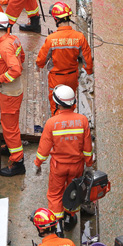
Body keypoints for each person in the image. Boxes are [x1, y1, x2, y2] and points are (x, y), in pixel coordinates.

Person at [33, 85, 93, 231]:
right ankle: (70, 217)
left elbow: (44, 149)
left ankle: (57, 226)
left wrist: (38, 164)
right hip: (77, 166)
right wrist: (89, 164)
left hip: (58, 166)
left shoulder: (52, 123)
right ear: (73, 102)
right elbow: (87, 148)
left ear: (58, 103)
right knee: (73, 191)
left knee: (55, 195)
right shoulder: (83, 121)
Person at [35, 1, 93, 116]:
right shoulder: (79, 37)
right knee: (70, 101)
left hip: (56, 79)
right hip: (72, 77)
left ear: (56, 19)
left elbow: (42, 59)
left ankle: (58, 126)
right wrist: (89, 71)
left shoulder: (52, 39)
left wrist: (39, 66)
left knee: (56, 104)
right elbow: (87, 59)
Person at [0, 12, 26, 176]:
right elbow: (21, 57)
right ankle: (12, 149)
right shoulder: (12, 39)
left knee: (10, 128)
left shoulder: (4, 46)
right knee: (9, 124)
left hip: (10, 91)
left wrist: (0, 79)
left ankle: (17, 162)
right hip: (13, 89)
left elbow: (16, 69)